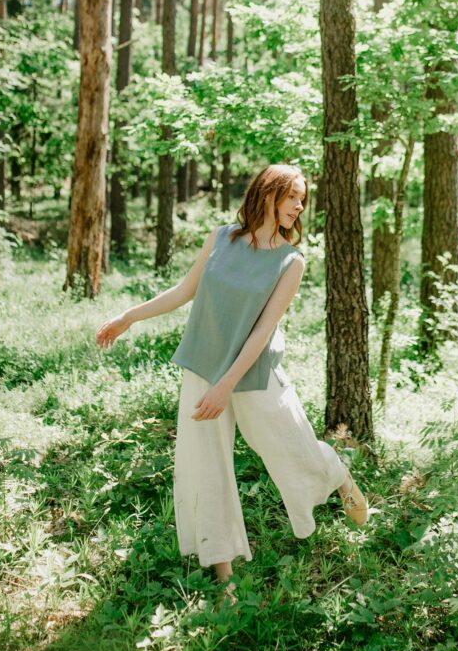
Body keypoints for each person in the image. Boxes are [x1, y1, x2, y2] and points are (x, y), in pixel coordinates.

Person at [96, 163, 368, 605]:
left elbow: (262, 332)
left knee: (292, 451)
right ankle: (224, 577)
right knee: (207, 466)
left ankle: (335, 471)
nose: (300, 206)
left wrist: (226, 386)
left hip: (255, 375)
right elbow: (185, 291)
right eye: (293, 196)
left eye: (303, 199)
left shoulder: (291, 260)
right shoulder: (222, 237)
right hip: (203, 365)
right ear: (267, 194)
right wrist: (129, 316)